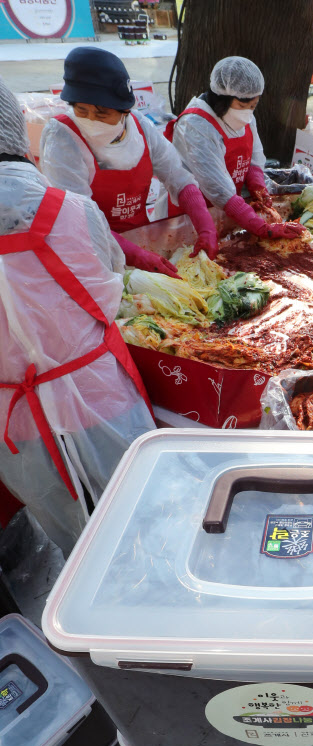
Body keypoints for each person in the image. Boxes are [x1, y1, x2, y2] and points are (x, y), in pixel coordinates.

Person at [0, 79, 155, 556]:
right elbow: (109, 293)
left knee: (69, 543)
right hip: (100, 399)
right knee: (141, 522)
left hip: (16, 421)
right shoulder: (72, 211)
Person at [40, 47, 217, 278]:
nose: (92, 120)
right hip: (92, 255)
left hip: (141, 238)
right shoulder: (62, 138)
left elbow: (178, 177)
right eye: (81, 110)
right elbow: (80, 216)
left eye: (102, 113)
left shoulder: (140, 127)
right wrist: (135, 256)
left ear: (124, 110)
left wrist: (206, 227)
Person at [167, 57, 305, 241]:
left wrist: (258, 187)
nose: (247, 112)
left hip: (230, 211)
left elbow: (254, 158)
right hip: (192, 219)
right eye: (241, 105)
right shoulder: (196, 126)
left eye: (253, 106)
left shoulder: (244, 116)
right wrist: (262, 228)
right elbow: (218, 188)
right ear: (222, 99)